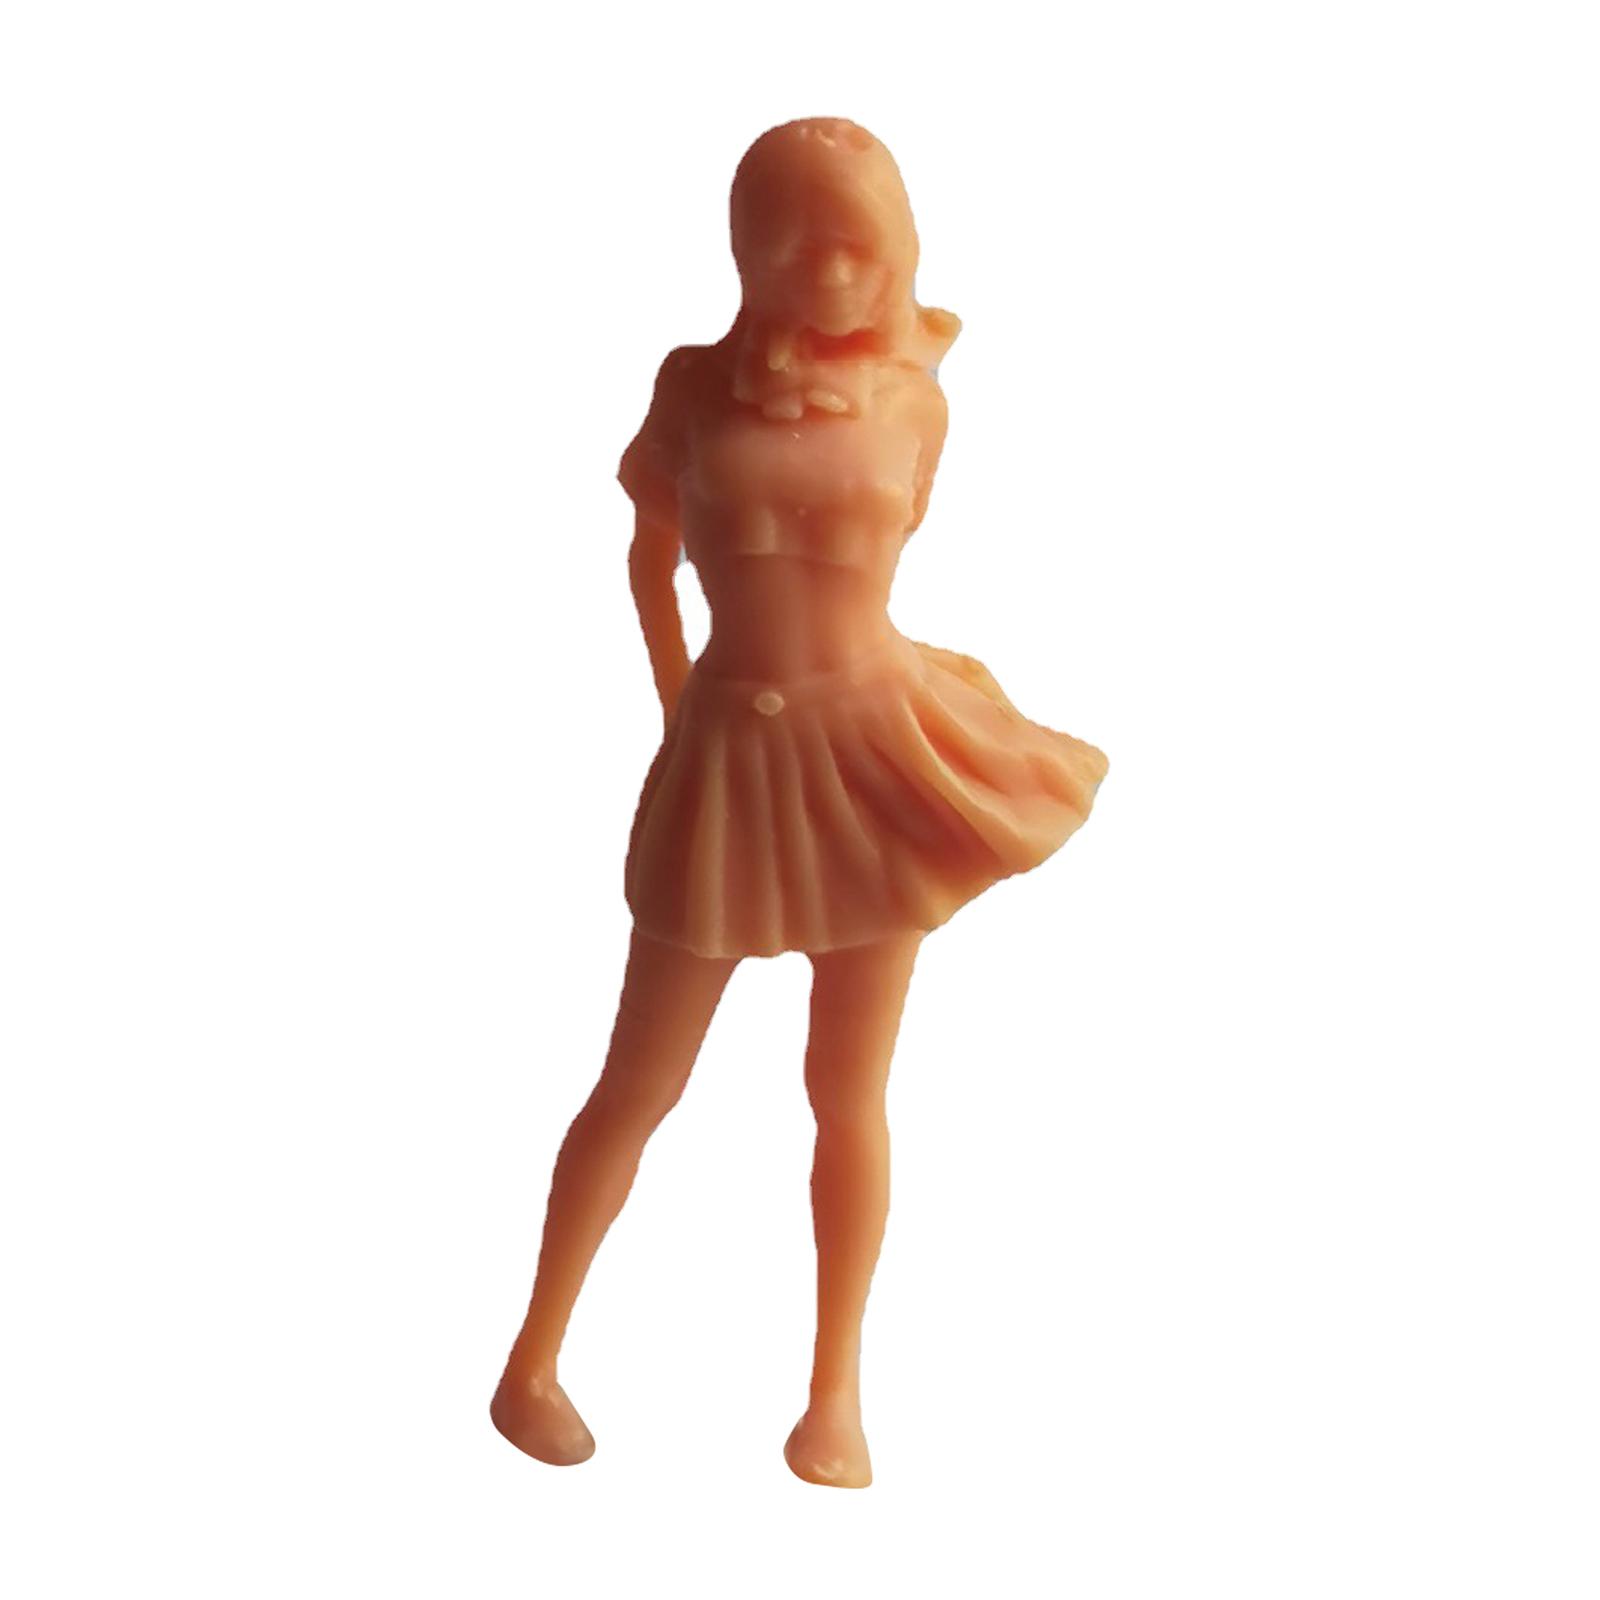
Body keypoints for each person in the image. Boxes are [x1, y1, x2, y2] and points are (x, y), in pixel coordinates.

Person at [491, 117, 1107, 1487]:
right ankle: (530, 1358)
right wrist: (677, 707)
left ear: (895, 248)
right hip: (727, 756)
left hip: (876, 750)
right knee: (638, 1082)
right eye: (794, 240)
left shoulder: (918, 397)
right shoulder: (692, 386)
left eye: (855, 243)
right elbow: (649, 558)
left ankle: (835, 1393)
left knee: (849, 1090)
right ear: (746, 246)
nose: (829, 272)